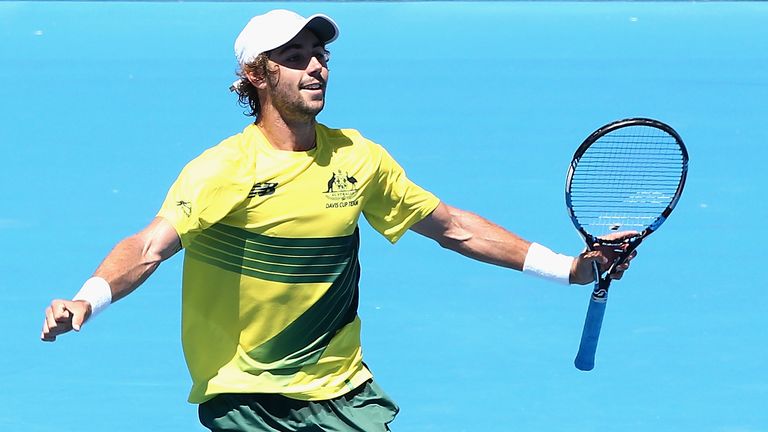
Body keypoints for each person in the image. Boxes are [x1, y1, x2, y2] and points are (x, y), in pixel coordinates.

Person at [41, 9, 636, 432]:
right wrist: (86, 301)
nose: (315, 68)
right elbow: (148, 247)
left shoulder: (357, 156)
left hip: (343, 391)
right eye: (294, 58)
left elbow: (453, 226)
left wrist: (571, 269)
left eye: (319, 55)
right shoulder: (222, 170)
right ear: (257, 75)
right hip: (250, 396)